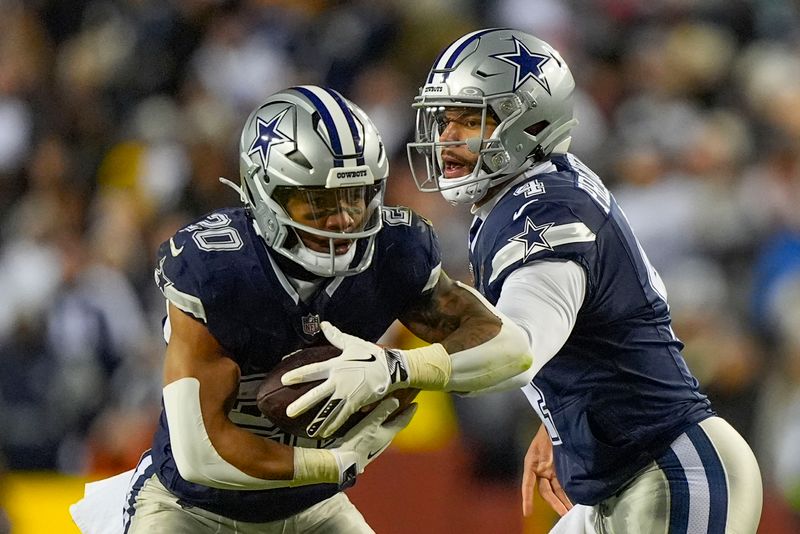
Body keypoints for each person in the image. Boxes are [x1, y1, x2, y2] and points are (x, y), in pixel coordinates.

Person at [70, 84, 534, 534]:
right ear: (266, 195)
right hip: (192, 507)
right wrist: (332, 463)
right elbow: (201, 454)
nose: (344, 219)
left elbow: (513, 350)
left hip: (311, 507)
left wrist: (399, 367)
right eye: (317, 202)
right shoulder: (218, 270)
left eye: (355, 195)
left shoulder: (395, 252)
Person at [405, 28, 763, 533]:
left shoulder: (545, 208)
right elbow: (597, 324)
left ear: (529, 122)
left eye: (470, 120)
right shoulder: (538, 188)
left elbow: (519, 350)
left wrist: (394, 369)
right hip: (628, 478)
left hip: (672, 469)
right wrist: (559, 422)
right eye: (444, 120)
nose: (446, 138)